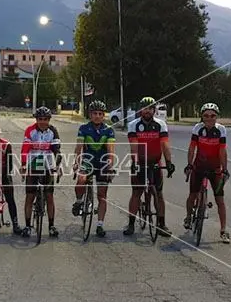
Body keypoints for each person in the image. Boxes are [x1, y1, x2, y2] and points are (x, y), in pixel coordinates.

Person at [125, 96, 175, 236]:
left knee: (159, 194)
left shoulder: (161, 124)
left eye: (150, 108)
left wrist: (169, 162)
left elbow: (165, 144)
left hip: (155, 162)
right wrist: (134, 163)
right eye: (145, 108)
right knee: (136, 193)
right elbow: (134, 146)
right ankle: (130, 224)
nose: (147, 111)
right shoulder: (133, 125)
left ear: (154, 110)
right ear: (141, 110)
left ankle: (162, 224)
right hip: (139, 162)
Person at [183, 103, 230, 243]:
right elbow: (192, 148)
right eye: (206, 116)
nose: (209, 118)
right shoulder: (198, 128)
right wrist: (189, 164)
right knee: (192, 195)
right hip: (199, 167)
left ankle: (223, 230)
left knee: (220, 200)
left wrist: (225, 168)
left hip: (215, 168)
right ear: (202, 117)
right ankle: (189, 217)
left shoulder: (221, 130)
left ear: (217, 117)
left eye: (213, 116)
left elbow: (222, 151)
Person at [71, 100, 115, 238]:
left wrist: (109, 165)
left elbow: (110, 151)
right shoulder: (83, 128)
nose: (97, 116)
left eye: (100, 114)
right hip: (88, 161)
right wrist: (77, 162)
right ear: (90, 115)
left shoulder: (108, 130)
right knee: (81, 180)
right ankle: (79, 202)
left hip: (102, 163)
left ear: (103, 115)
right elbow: (79, 148)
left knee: (102, 196)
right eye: (94, 113)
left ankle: (100, 225)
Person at [20, 106, 62, 238]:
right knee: (30, 196)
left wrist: (58, 166)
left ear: (49, 120)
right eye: (40, 119)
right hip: (34, 162)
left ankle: (51, 226)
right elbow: (25, 149)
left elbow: (57, 150)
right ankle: (27, 226)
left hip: (48, 164)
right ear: (36, 119)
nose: (42, 122)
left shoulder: (53, 131)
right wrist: (23, 164)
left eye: (45, 119)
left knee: (49, 196)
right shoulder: (30, 130)